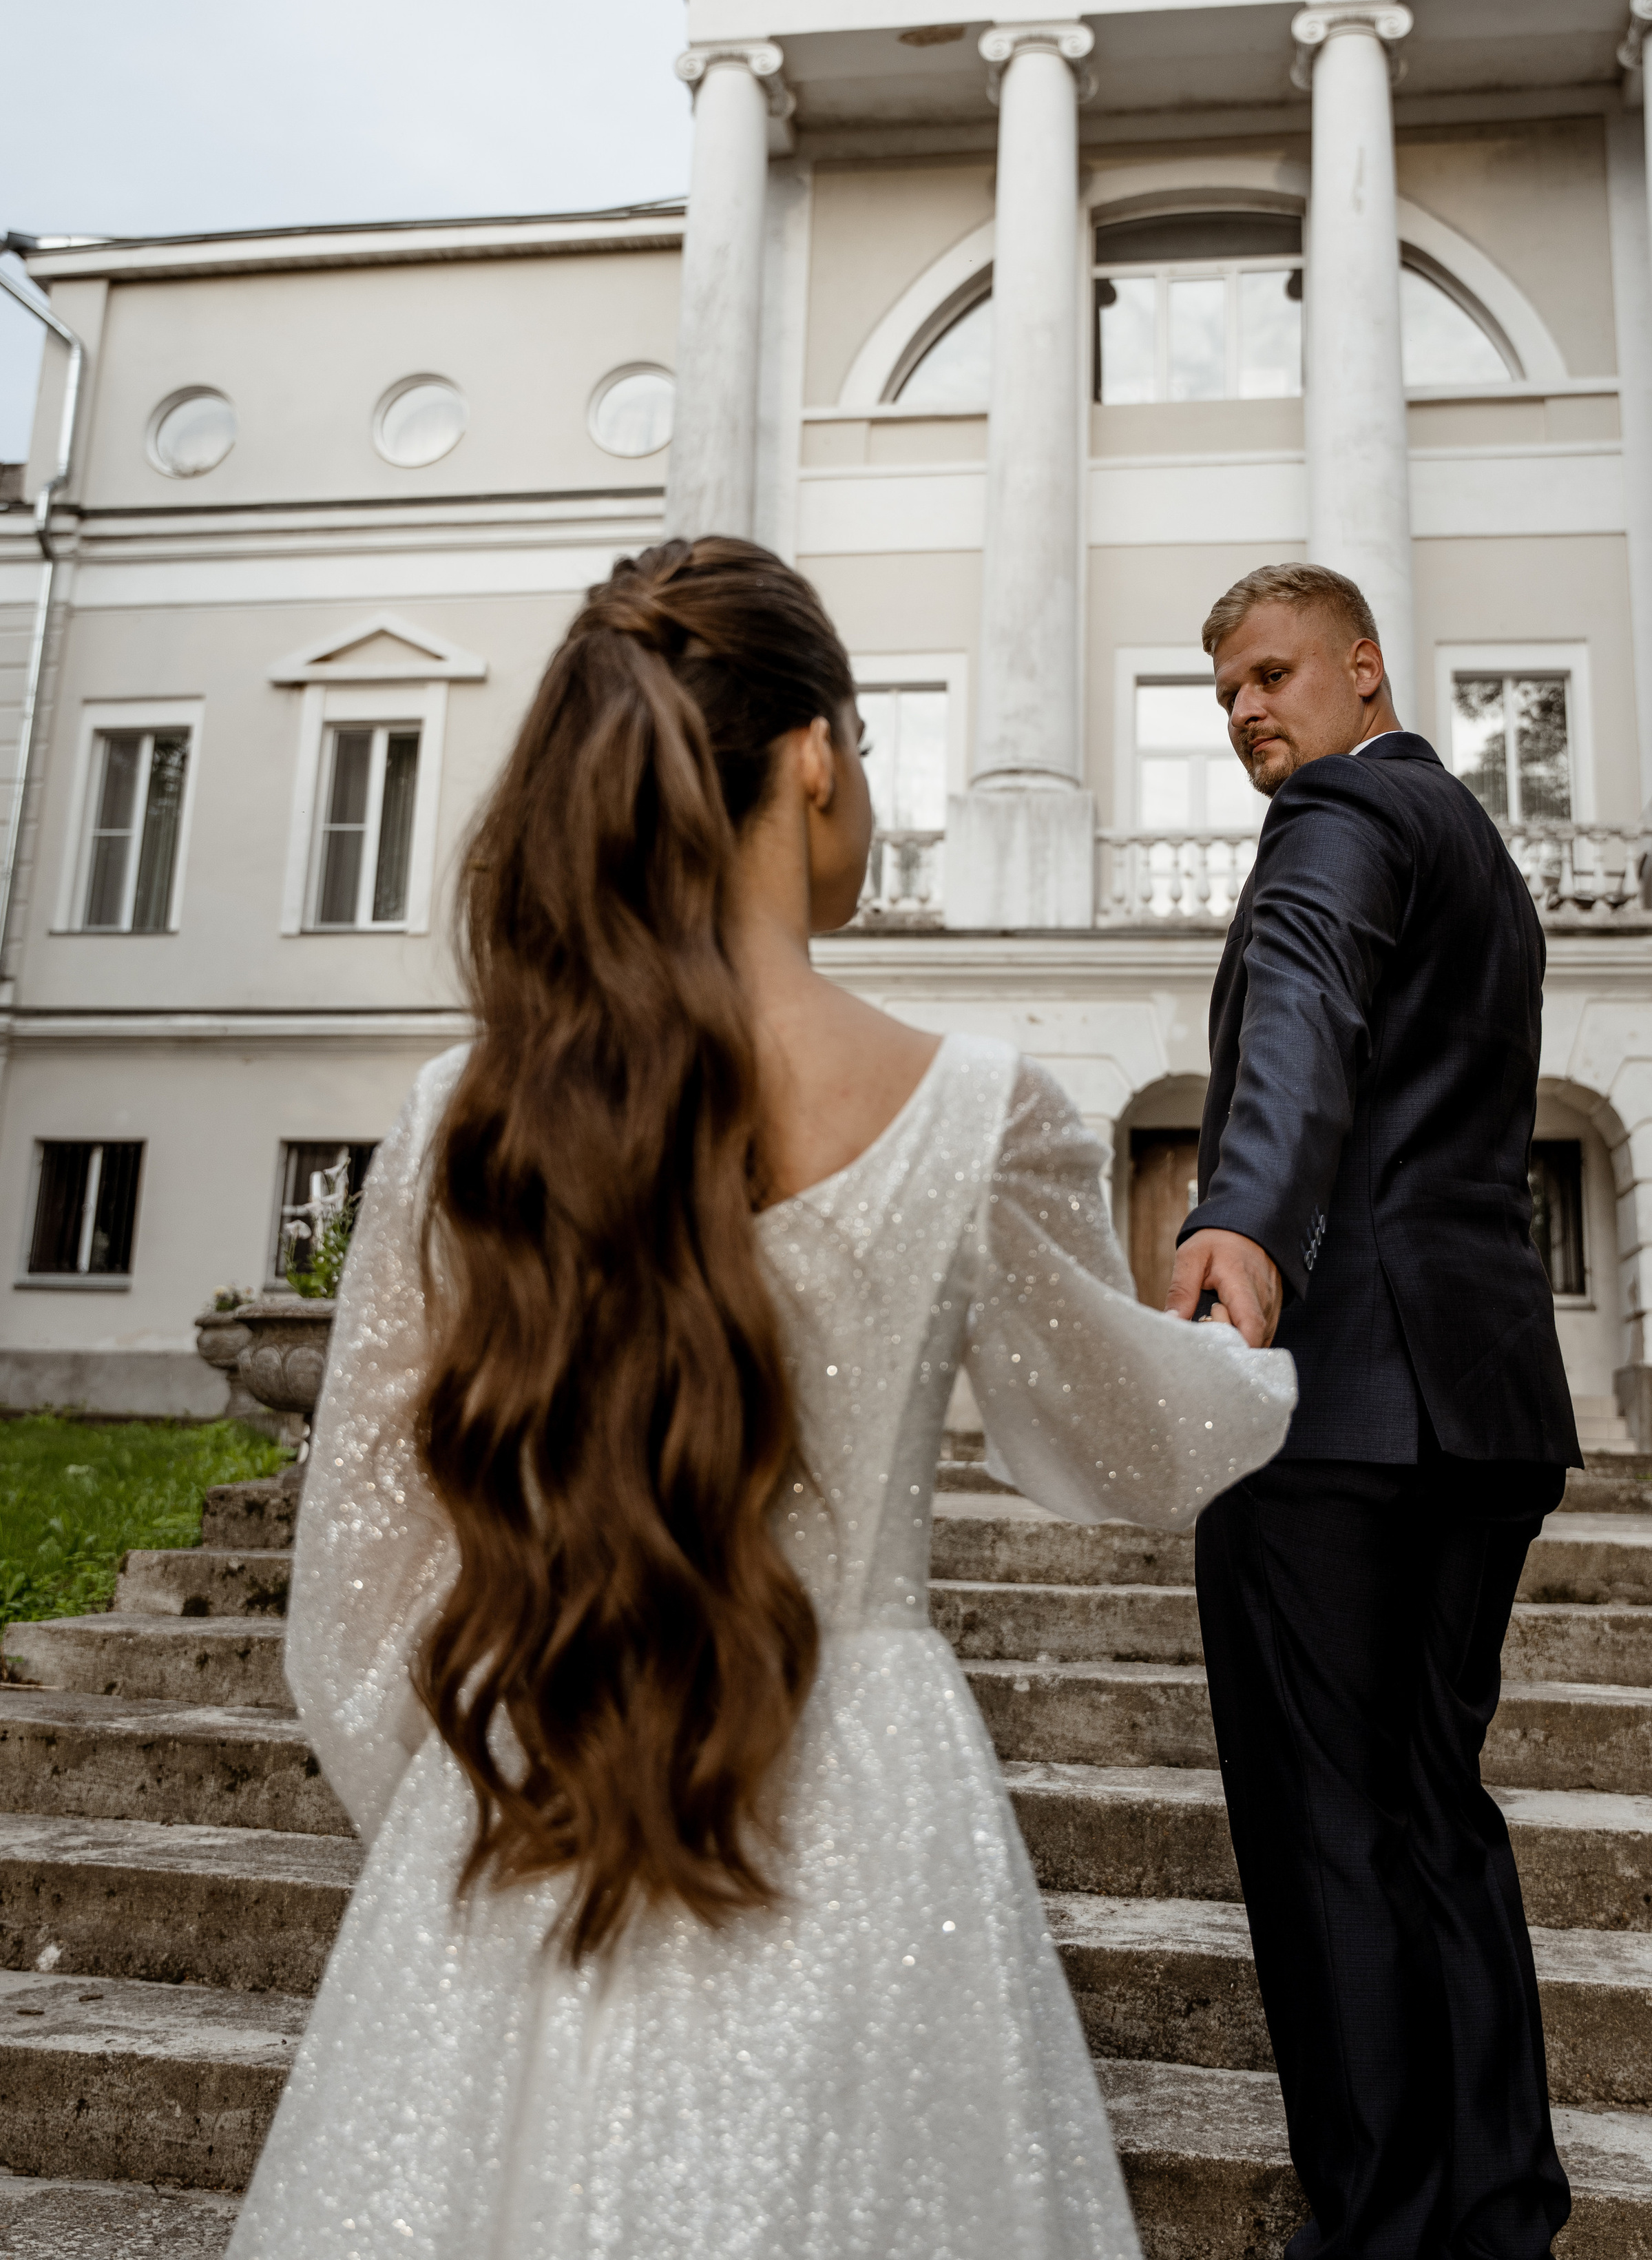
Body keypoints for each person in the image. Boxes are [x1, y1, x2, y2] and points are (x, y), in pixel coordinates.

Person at [228, 536, 1294, 2260]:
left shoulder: (463, 1114)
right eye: (864, 751)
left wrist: (456, 1831)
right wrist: (1245, 1345)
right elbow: (1139, 1442)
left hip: (533, 1792)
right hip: (864, 1818)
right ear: (812, 755)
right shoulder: (979, 1109)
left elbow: (354, 1602)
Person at [1167, 561, 1580, 2260]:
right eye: (1225, 698)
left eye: (1271, 674)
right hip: (1484, 1411)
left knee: (1325, 1822)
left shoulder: (1338, 817)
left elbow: (1302, 1009)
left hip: (1335, 1413)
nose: (1251, 712)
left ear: (1361, 670)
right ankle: (1493, 2214)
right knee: (1431, 1813)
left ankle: (1377, 2230)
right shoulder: (1482, 853)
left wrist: (1240, 1217)